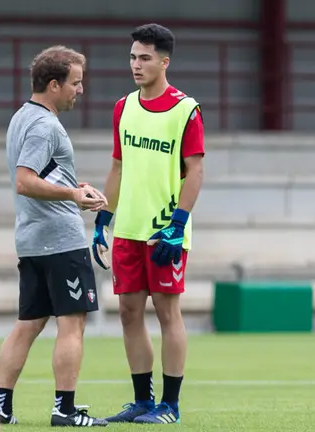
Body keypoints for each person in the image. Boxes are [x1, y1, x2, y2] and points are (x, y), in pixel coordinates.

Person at [92, 23, 205, 425]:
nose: (136, 65)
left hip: (164, 231)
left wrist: (178, 224)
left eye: (144, 58)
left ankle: (170, 406)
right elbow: (118, 167)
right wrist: (103, 219)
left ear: (164, 61)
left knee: (167, 312)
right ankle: (142, 400)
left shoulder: (185, 109)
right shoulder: (123, 107)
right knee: (127, 311)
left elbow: (195, 172)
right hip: (128, 229)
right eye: (132, 57)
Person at [0, 45, 109, 428]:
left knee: (28, 323)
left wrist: (74, 185)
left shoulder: (21, 117)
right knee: (72, 323)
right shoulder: (46, 125)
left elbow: (39, 176)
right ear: (55, 83)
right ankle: (65, 410)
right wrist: (74, 195)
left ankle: (0, 406)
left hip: (31, 239)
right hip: (60, 241)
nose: (81, 90)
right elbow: (25, 181)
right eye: (76, 83)